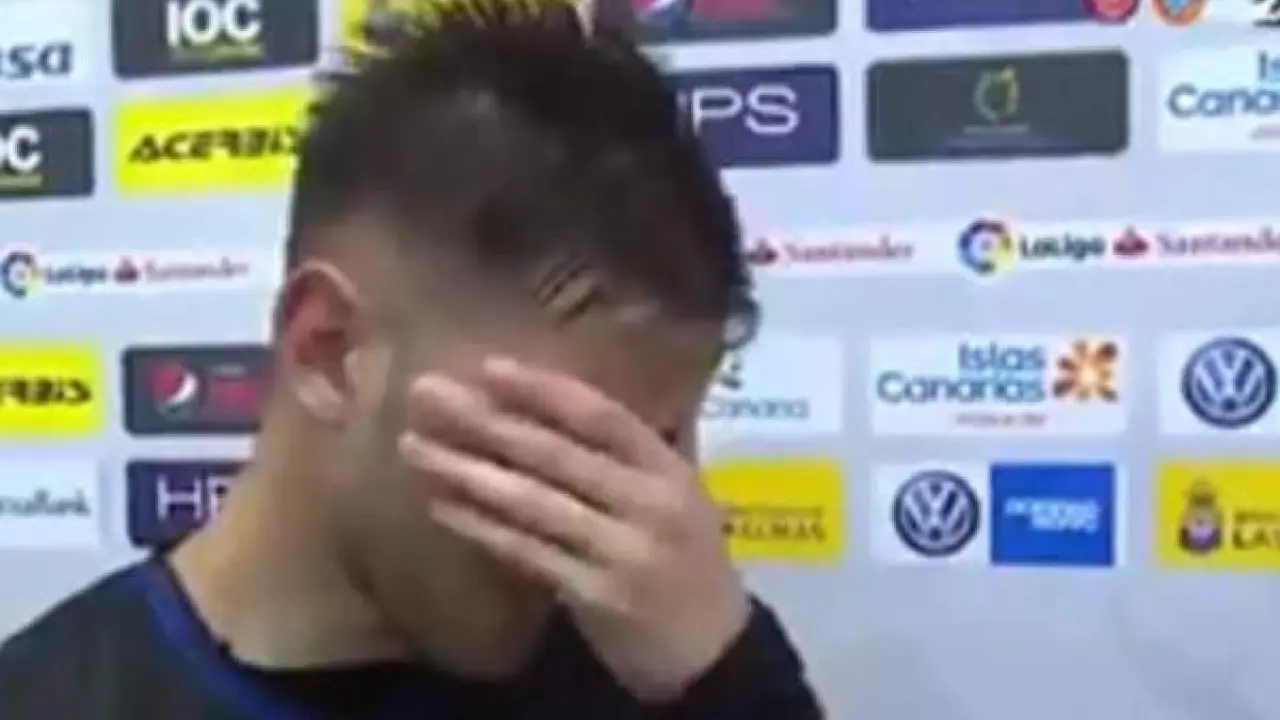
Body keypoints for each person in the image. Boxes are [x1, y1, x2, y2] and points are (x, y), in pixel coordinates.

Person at [0, 0, 824, 717]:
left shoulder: (671, 679)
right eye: (564, 450)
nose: (628, 523)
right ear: (330, 352)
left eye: (659, 447)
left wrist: (734, 689)